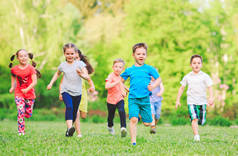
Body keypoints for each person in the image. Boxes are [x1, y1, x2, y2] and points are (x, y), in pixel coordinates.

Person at [47, 43, 94, 137]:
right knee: (69, 107)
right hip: (66, 91)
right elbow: (57, 74)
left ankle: (69, 132)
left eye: (72, 54)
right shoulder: (63, 65)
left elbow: (86, 76)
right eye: (67, 54)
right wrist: (51, 83)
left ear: (75, 54)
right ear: (64, 54)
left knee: (74, 113)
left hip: (77, 92)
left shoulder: (80, 64)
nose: (70, 56)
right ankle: (69, 128)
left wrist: (81, 75)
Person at [121, 43, 162, 145]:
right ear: (133, 55)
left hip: (145, 100)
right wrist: (124, 89)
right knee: (133, 119)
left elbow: (159, 79)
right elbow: (120, 81)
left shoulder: (149, 68)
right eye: (138, 54)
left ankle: (139, 113)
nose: (141, 56)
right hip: (133, 99)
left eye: (143, 54)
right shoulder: (130, 70)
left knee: (147, 123)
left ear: (146, 55)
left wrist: (152, 86)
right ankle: (133, 141)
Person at [176, 54, 214, 141]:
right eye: (194, 63)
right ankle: (196, 136)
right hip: (191, 101)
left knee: (201, 121)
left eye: (198, 63)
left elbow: (210, 87)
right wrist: (178, 100)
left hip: (202, 101)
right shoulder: (188, 76)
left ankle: (199, 122)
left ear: (201, 65)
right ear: (191, 65)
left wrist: (211, 97)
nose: (196, 65)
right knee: (194, 118)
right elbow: (182, 88)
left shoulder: (205, 76)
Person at [9, 49, 40, 135]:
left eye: (25, 56)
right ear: (17, 58)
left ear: (28, 57)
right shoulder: (14, 69)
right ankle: (21, 131)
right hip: (19, 93)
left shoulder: (31, 68)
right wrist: (12, 87)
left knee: (28, 113)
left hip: (30, 94)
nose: (23, 58)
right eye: (21, 56)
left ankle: (28, 113)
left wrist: (27, 89)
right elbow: (13, 78)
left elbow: (35, 82)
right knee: (20, 111)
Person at [105, 58, 128, 137]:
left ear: (123, 69)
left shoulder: (121, 77)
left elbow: (120, 84)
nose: (118, 69)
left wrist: (126, 89)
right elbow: (107, 86)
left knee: (122, 111)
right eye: (116, 66)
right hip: (111, 100)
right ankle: (110, 126)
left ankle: (123, 128)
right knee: (111, 116)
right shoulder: (111, 76)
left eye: (120, 67)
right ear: (113, 67)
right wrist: (117, 82)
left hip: (119, 98)